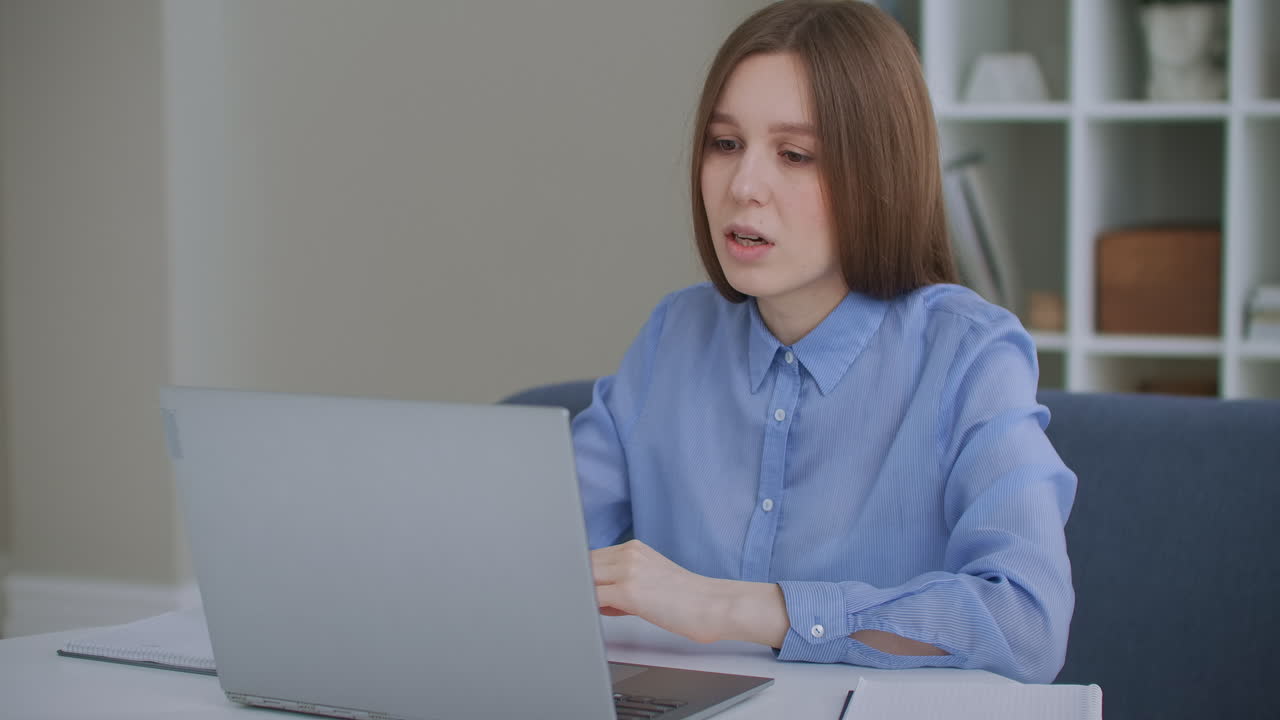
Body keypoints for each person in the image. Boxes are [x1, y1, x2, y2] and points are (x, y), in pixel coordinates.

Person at [571, 0, 1075, 684]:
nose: (744, 186)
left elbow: (1027, 623)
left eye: (794, 155)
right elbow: (545, 547)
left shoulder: (968, 354)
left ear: (878, 173)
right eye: (725, 144)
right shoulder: (674, 334)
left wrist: (735, 609)